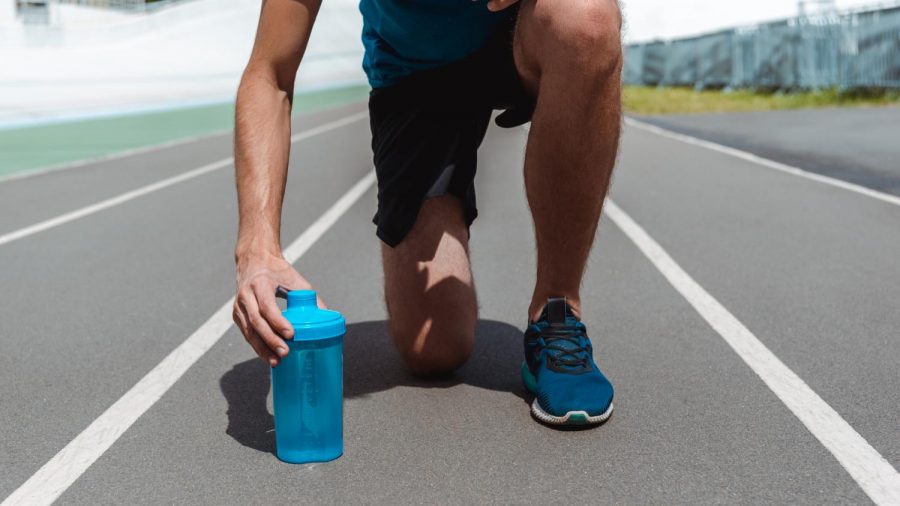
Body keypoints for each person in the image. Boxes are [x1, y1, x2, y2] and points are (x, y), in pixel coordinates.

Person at [232, 0, 622, 426]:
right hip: (416, 71)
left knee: (586, 21)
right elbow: (270, 74)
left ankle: (557, 310)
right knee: (435, 348)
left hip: (521, 34)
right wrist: (257, 250)